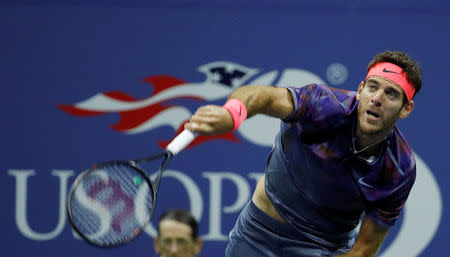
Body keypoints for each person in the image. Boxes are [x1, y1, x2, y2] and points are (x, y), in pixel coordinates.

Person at [184, 51, 422, 257]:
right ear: (360, 90)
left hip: (324, 249)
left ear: (406, 108)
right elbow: (264, 97)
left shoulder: (398, 169)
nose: (377, 99)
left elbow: (365, 249)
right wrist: (232, 114)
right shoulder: (322, 105)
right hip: (257, 235)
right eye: (372, 87)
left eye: (391, 94)